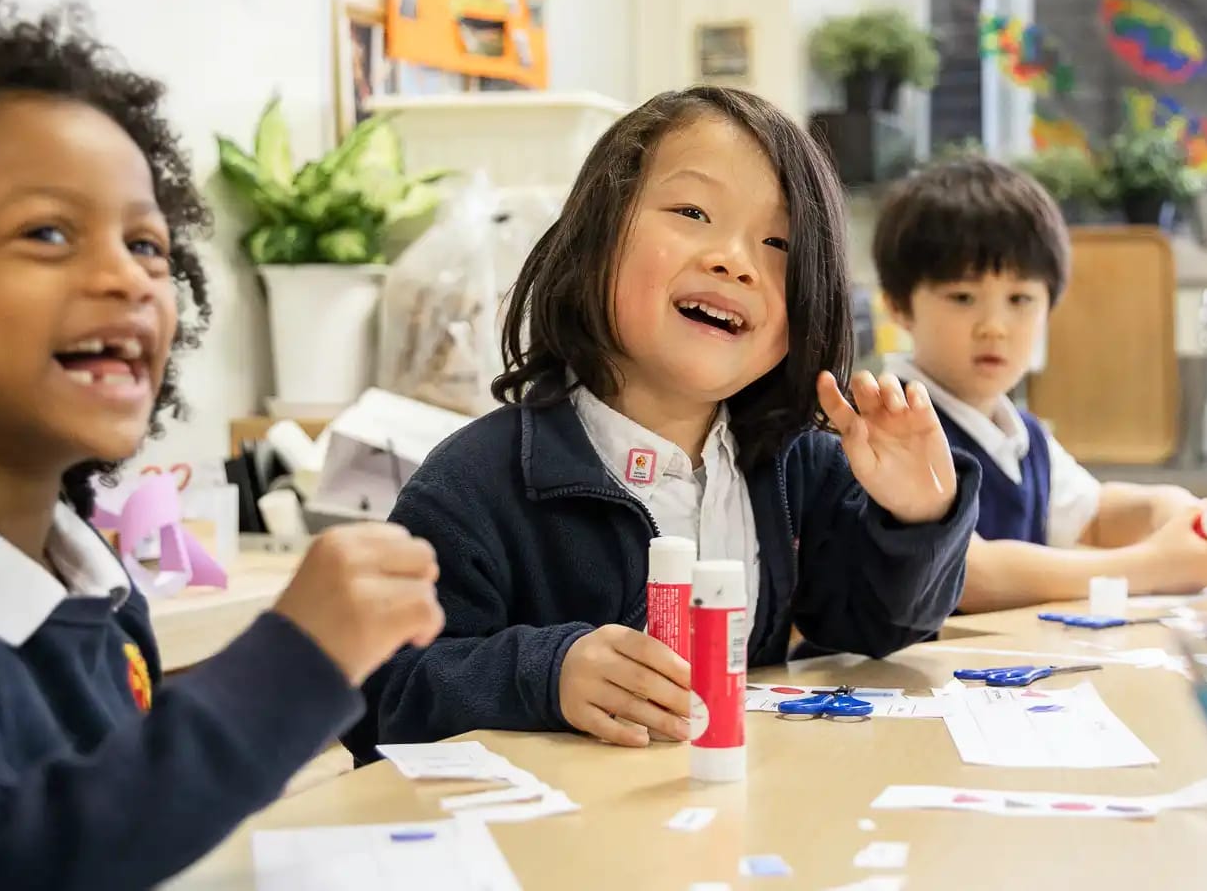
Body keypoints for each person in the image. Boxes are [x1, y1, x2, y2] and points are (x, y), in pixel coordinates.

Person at [0, 0, 442, 889]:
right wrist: (287, 666)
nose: (127, 278)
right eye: (48, 233)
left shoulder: (89, 579)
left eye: (147, 243)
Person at [349, 86, 980, 754]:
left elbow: (882, 626)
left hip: (726, 824)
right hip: (549, 848)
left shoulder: (797, 467)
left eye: (777, 242)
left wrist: (916, 517)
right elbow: (379, 697)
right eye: (691, 211)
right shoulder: (476, 483)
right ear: (594, 237)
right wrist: (544, 676)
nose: (733, 260)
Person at [872, 157, 1207, 613]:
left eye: (1020, 299)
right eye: (963, 298)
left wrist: (1168, 508)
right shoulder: (892, 423)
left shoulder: (1020, 434)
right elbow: (965, 571)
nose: (995, 327)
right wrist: (1152, 566)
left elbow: (1093, 513)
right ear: (899, 307)